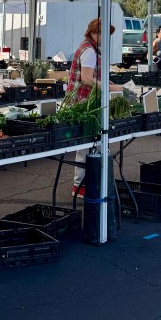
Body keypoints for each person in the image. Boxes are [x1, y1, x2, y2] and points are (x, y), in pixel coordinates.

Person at [67, 18, 122, 197]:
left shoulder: (88, 48)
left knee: (88, 145)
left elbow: (91, 77)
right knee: (86, 145)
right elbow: (87, 79)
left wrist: (107, 82)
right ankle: (80, 186)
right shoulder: (89, 51)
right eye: (103, 34)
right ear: (93, 33)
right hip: (83, 104)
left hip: (83, 103)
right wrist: (110, 88)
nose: (105, 37)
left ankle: (83, 184)